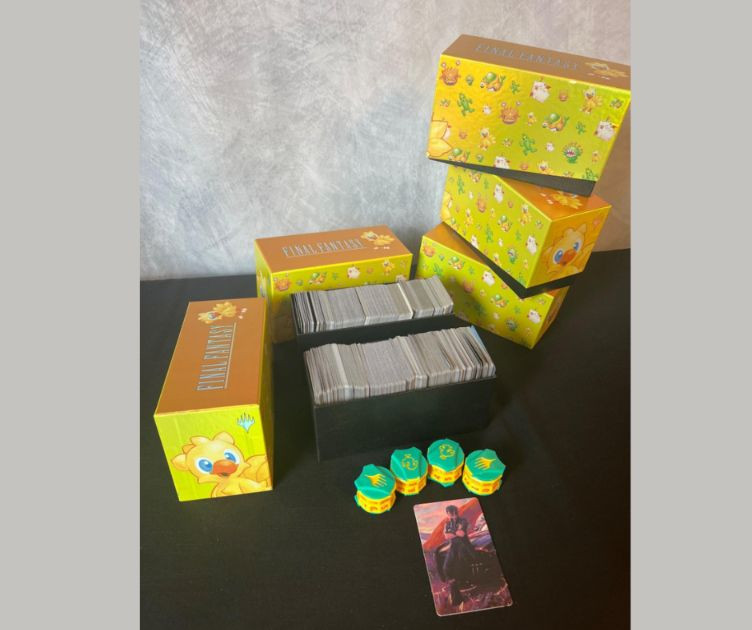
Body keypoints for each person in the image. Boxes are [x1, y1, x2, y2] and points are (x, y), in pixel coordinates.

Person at [441, 505, 476, 605]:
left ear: (456, 512)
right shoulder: (447, 523)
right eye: (450, 513)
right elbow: (446, 536)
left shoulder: (463, 521)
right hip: (453, 547)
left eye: (454, 512)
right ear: (448, 514)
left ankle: (458, 597)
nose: (453, 515)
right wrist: (455, 532)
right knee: (446, 568)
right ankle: (457, 595)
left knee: (458, 567)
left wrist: (452, 532)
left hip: (464, 546)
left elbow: (462, 534)